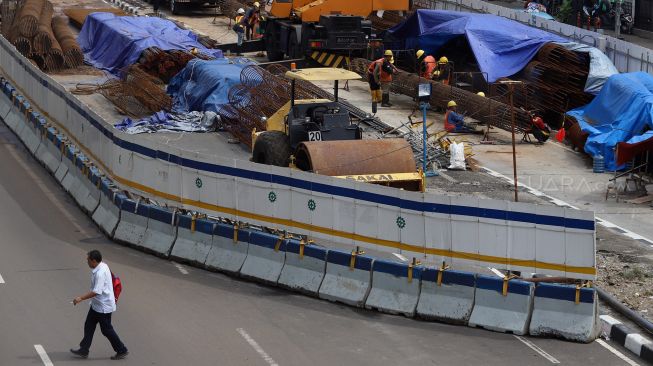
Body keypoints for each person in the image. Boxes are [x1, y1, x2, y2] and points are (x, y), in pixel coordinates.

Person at [70, 250, 128, 360]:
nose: (87, 262)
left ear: (94, 261)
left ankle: (121, 349)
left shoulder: (100, 273)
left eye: (88, 260)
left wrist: (80, 298)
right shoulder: (103, 265)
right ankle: (84, 349)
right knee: (89, 325)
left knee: (106, 330)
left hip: (103, 307)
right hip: (97, 304)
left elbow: (96, 291)